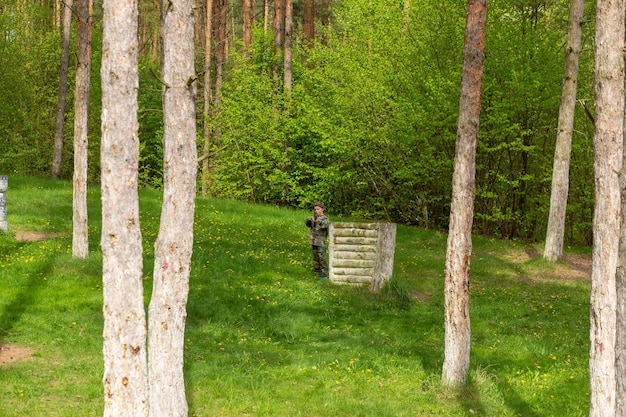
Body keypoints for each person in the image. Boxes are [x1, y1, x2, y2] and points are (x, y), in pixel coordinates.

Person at [305, 202, 330, 279]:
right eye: (315, 209)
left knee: (322, 257)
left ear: (322, 209)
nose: (316, 211)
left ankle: (324, 273)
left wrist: (318, 221)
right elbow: (307, 223)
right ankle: (317, 271)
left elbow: (324, 225)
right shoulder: (313, 218)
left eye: (318, 209)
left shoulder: (325, 219)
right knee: (315, 257)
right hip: (314, 241)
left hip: (321, 242)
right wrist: (310, 220)